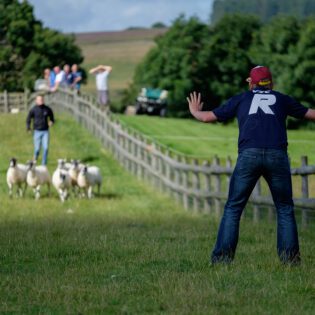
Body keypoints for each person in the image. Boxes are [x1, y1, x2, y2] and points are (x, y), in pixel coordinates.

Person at [187, 65, 315, 265]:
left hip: (249, 156)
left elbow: (207, 117)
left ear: (251, 83)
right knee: (285, 209)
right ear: (271, 82)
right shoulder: (282, 98)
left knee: (233, 208)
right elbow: (311, 114)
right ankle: (290, 262)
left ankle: (222, 260)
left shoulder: (241, 99)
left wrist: (195, 111)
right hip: (277, 155)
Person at [26, 94, 55, 165]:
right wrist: (28, 127)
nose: (41, 101)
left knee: (45, 148)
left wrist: (51, 121)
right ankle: (34, 159)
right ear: (36, 101)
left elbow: (52, 117)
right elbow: (28, 119)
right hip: (37, 131)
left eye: (42, 99)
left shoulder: (47, 109)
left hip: (45, 131)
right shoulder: (33, 110)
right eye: (39, 100)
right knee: (37, 149)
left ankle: (43, 164)